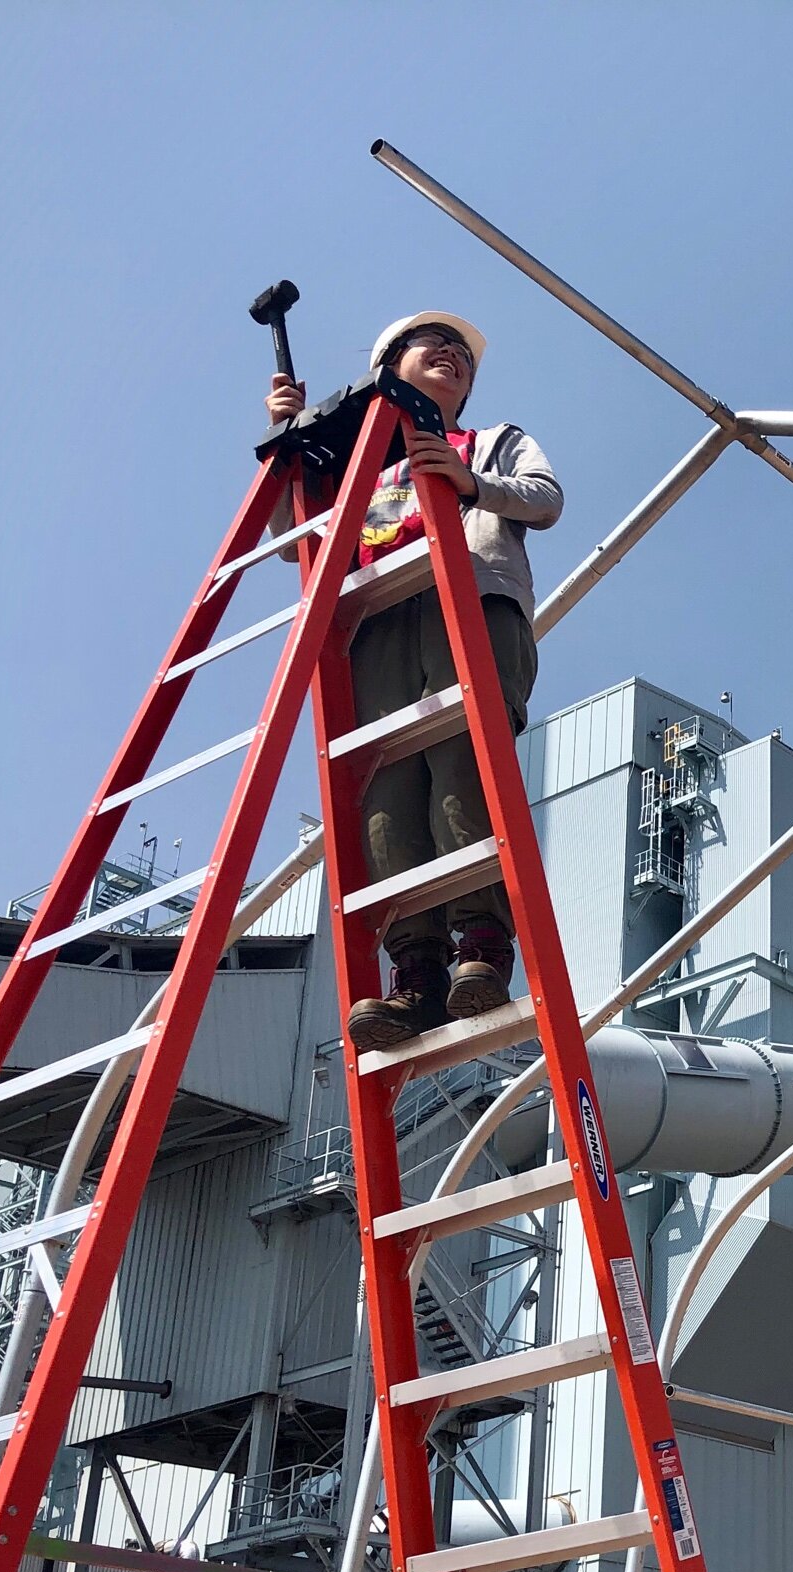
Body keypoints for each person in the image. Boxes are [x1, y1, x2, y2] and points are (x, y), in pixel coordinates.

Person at [266, 312, 564, 1049]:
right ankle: (417, 970)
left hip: (469, 593)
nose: (454, 356)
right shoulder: (360, 471)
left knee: (462, 762)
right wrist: (283, 445)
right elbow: (291, 541)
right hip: (380, 613)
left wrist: (467, 480)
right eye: (434, 346)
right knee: (385, 793)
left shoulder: (490, 439)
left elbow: (544, 497)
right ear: (387, 366)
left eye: (464, 354)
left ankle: (480, 945)